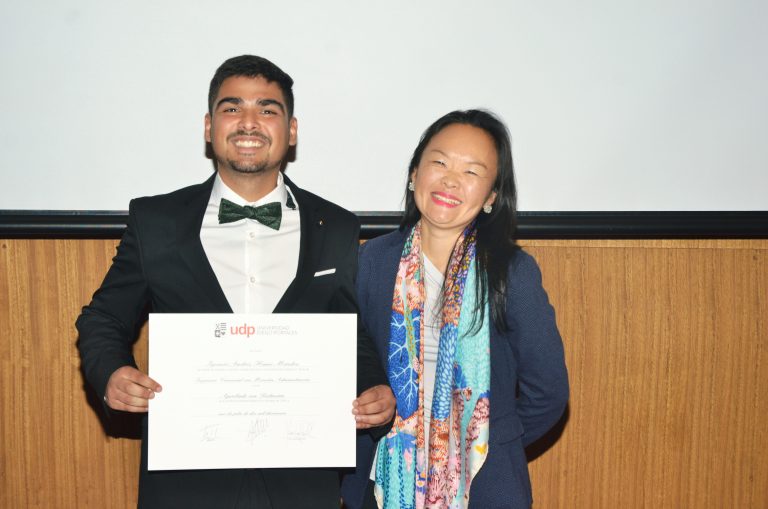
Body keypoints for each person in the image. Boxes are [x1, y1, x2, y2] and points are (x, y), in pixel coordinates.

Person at [76, 55, 395, 509]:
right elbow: (104, 317)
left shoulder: (337, 226)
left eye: (267, 109)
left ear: (291, 130)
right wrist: (110, 372)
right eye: (232, 108)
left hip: (302, 480)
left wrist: (374, 387)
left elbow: (350, 333)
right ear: (209, 127)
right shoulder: (156, 221)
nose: (249, 122)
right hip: (187, 481)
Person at [341, 110, 569, 509]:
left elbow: (548, 392)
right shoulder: (371, 262)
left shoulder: (511, 272)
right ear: (414, 173)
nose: (450, 180)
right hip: (385, 482)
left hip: (485, 486)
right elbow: (352, 357)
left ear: (492, 197)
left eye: (471, 172)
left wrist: (488, 441)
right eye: (440, 163)